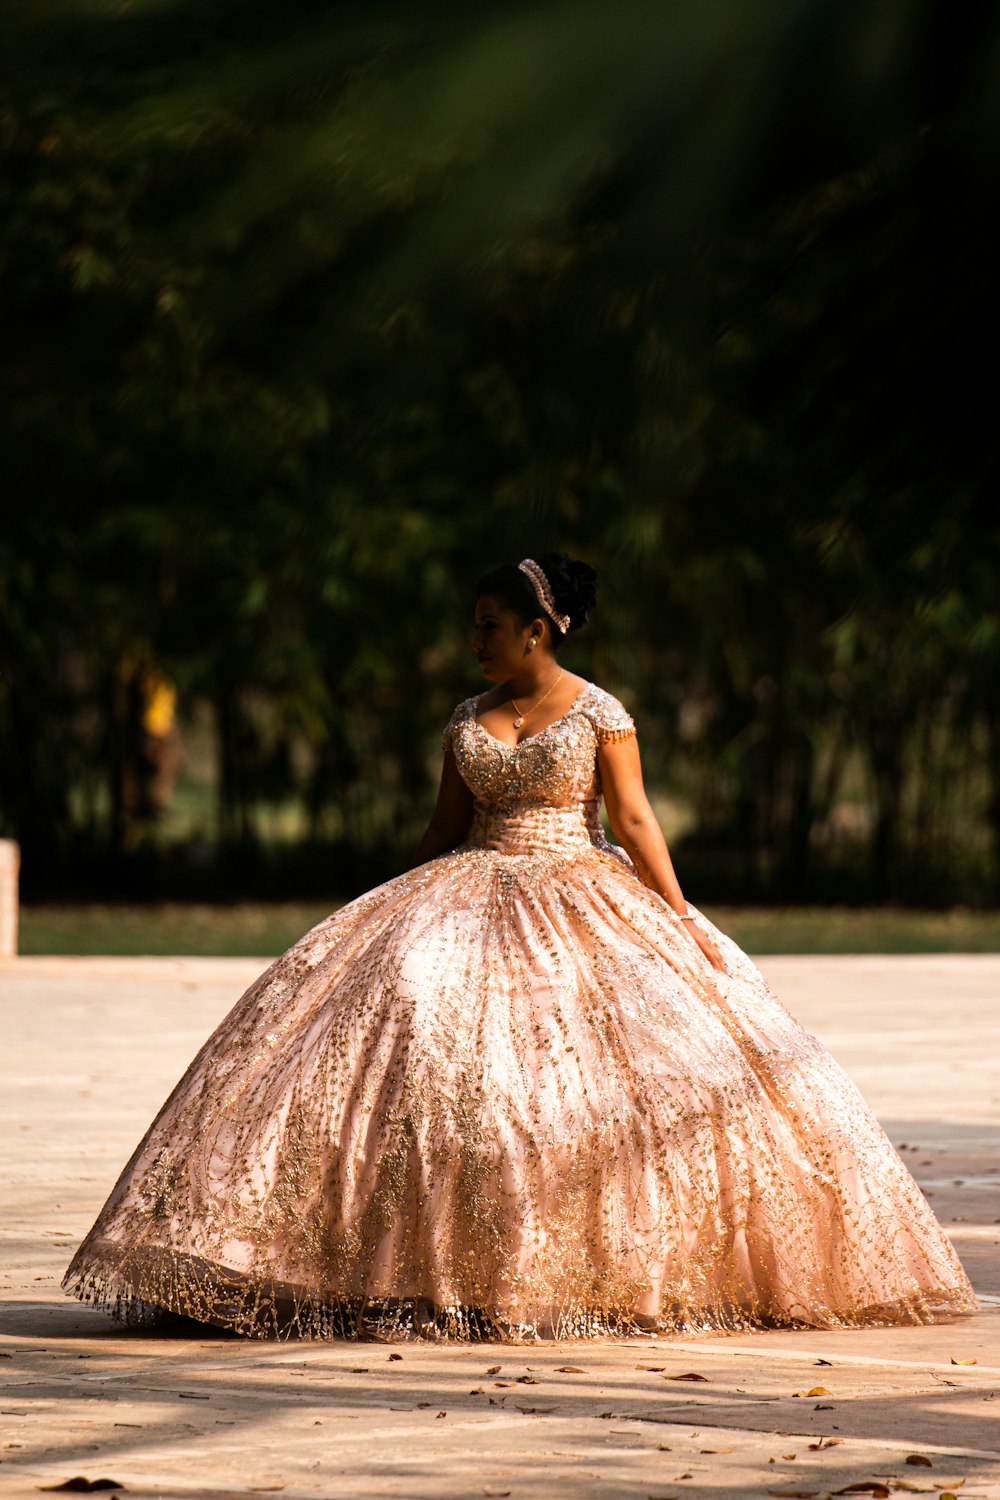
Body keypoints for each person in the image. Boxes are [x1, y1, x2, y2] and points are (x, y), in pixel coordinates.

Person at [63, 553, 975, 1341]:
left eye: (490, 627)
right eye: (476, 628)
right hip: (470, 887)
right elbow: (444, 828)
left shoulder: (601, 714)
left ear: (540, 631)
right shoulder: (467, 716)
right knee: (420, 1029)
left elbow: (635, 817)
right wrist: (377, 914)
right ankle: (386, 1266)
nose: (477, 643)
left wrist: (680, 912)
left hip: (578, 885)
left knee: (599, 1072)